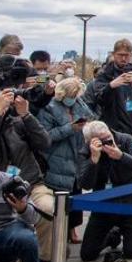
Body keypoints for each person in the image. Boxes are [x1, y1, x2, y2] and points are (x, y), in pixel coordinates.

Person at [0, 87, 56, 262]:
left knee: (48, 209)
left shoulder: (18, 123)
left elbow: (45, 143)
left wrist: (26, 115)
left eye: (4, 105)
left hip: (31, 183)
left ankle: (44, 260)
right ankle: (18, 258)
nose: (3, 109)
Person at [36, 77, 97, 244]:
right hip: (57, 157)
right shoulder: (48, 108)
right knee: (57, 197)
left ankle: (72, 228)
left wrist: (87, 125)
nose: (74, 98)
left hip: (77, 155)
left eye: (76, 95)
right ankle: (56, 232)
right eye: (72, 95)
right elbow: (45, 136)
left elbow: (92, 118)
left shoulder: (79, 104)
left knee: (75, 195)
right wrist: (70, 128)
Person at [78, 121, 132, 262]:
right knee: (87, 255)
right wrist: (94, 160)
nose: (108, 142)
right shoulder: (87, 150)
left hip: (130, 204)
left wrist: (121, 156)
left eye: (108, 137)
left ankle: (123, 232)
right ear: (91, 141)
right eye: (103, 141)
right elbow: (85, 184)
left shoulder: (125, 139)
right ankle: (111, 237)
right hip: (103, 207)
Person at [87, 39, 132, 143]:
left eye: (126, 55)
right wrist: (111, 86)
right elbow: (99, 99)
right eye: (120, 55)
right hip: (112, 126)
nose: (123, 58)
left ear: (131, 55)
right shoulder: (104, 74)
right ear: (114, 54)